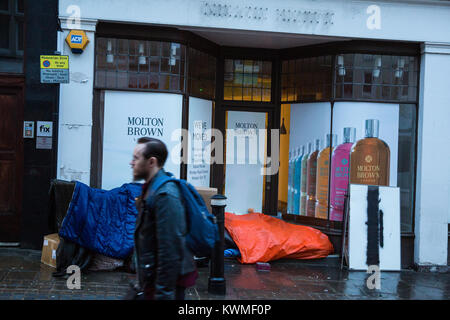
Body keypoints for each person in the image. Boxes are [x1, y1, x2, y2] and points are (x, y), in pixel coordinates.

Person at [124, 137, 197, 300]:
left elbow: (170, 249)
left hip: (163, 286)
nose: (131, 162)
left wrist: (163, 294)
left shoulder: (165, 195)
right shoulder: (152, 188)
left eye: (136, 158)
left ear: (151, 162)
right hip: (152, 280)